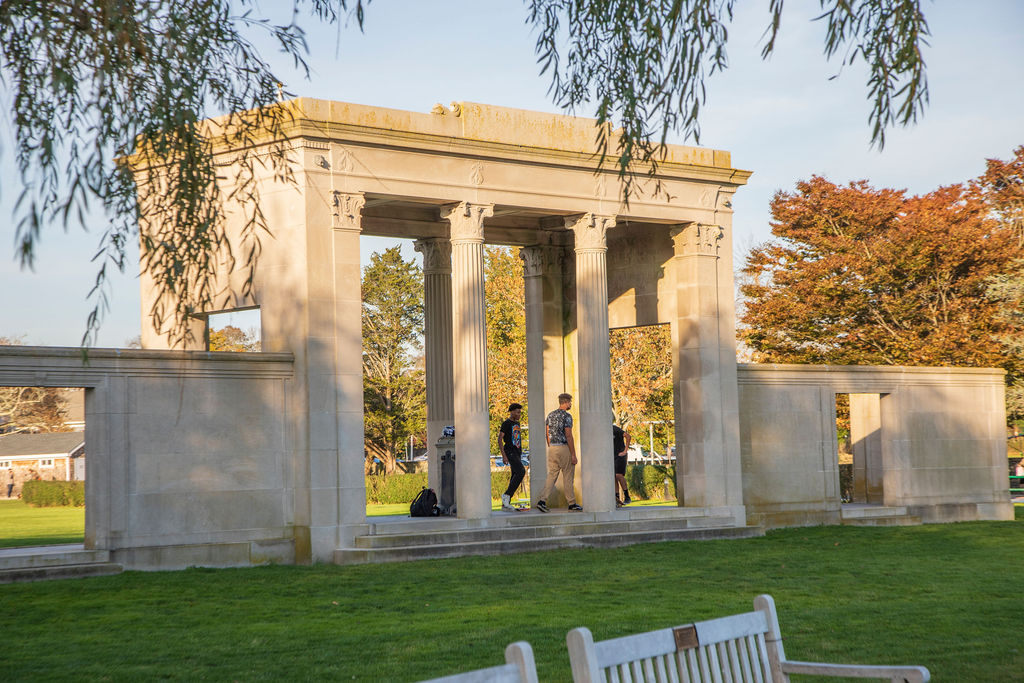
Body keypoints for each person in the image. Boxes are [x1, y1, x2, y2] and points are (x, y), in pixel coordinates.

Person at [536, 393, 582, 512]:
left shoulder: (550, 415)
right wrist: (573, 454)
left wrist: (550, 445)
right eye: (570, 402)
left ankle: (542, 500)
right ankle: (571, 503)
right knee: (568, 476)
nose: (571, 404)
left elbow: (547, 433)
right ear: (566, 402)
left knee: (552, 475)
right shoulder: (567, 416)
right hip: (563, 447)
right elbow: (568, 435)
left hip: (552, 448)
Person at [499, 403, 526, 511]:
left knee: (514, 475)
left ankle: (506, 503)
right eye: (518, 412)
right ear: (512, 412)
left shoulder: (517, 423)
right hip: (509, 452)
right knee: (521, 471)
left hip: (517, 452)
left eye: (520, 412)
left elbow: (517, 439)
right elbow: (499, 439)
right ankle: (506, 495)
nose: (519, 414)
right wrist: (504, 456)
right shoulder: (506, 423)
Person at [613, 422, 632, 507]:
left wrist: (625, 450)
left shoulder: (615, 429)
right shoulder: (603, 432)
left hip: (620, 454)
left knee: (618, 475)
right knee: (613, 477)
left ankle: (627, 496)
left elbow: (628, 436)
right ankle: (617, 498)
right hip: (612, 456)